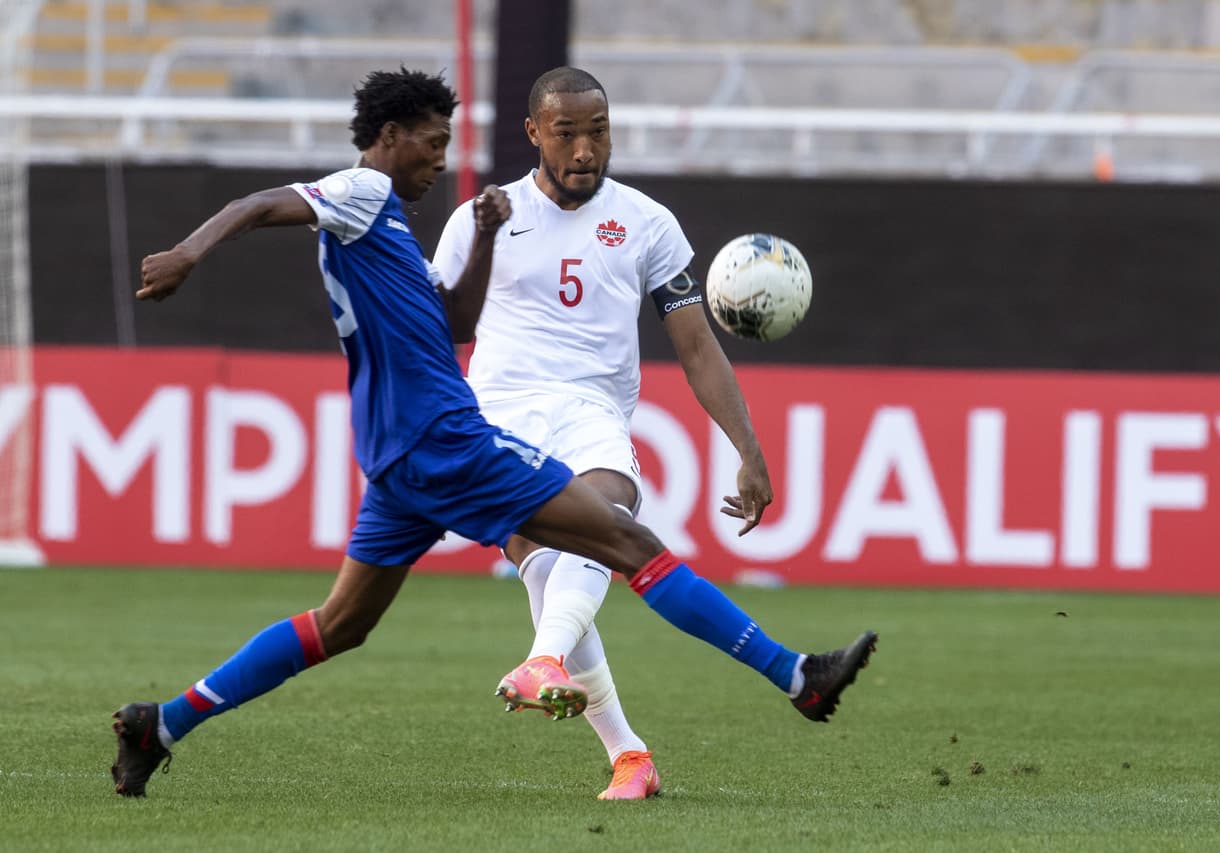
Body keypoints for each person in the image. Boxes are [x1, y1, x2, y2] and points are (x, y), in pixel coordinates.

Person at [110, 67, 878, 799]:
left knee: (340, 623)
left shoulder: (440, 220)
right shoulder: (364, 191)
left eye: (600, 131)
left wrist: (482, 238)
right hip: (452, 434)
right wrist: (188, 253)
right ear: (392, 136)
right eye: (432, 143)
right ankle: (794, 675)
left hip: (403, 451)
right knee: (626, 541)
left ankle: (163, 723)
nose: (441, 161)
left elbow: (451, 318)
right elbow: (261, 203)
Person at [431, 66, 823, 800]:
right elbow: (440, 326)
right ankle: (629, 755)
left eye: (598, 131)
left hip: (592, 412)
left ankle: (546, 662)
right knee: (546, 565)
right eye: (567, 133)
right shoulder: (483, 217)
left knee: (604, 515)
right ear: (534, 133)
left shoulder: (647, 223)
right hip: (501, 414)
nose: (585, 149)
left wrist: (747, 447)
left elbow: (697, 347)